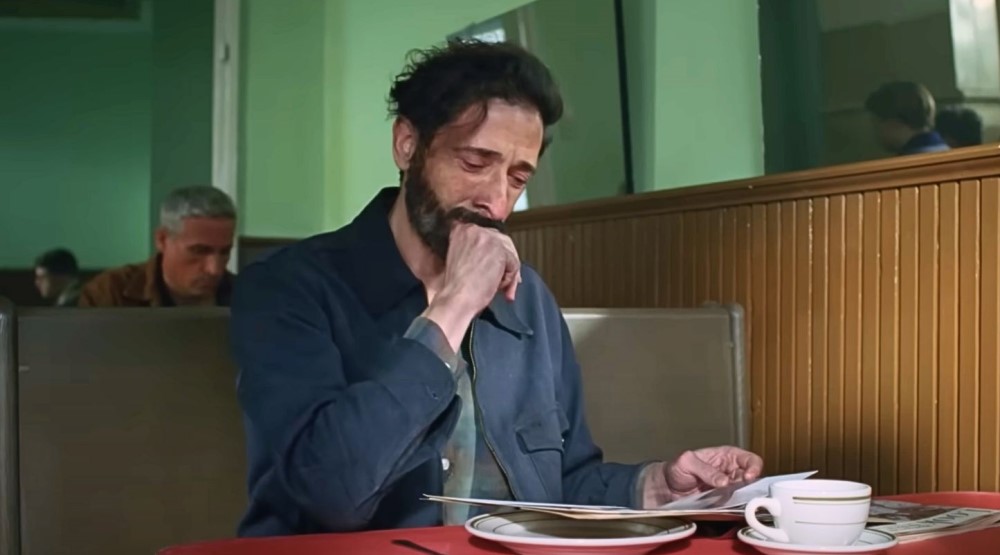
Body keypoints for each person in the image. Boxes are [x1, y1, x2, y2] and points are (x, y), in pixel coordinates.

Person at [231, 40, 764, 537]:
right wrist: (453, 306)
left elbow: (564, 483)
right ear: (407, 144)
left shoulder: (527, 300)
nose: (496, 201)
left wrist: (655, 487)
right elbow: (329, 491)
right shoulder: (288, 288)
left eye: (517, 178)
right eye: (474, 163)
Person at [78, 186, 236, 307]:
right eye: (199, 251)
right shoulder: (110, 293)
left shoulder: (247, 296)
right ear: (162, 240)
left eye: (224, 252)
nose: (214, 269)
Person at [864, 81, 949, 156]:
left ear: (894, 123)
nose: (877, 135)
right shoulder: (947, 151)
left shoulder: (908, 163)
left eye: (876, 125)